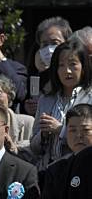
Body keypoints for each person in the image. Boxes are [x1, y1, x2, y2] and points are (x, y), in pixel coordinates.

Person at [30, 40, 92, 171]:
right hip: (48, 170)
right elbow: (34, 147)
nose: (67, 71)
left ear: (83, 67)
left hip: (80, 169)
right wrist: (43, 135)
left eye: (73, 64)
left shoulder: (89, 98)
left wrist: (60, 130)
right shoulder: (46, 99)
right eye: (61, 65)